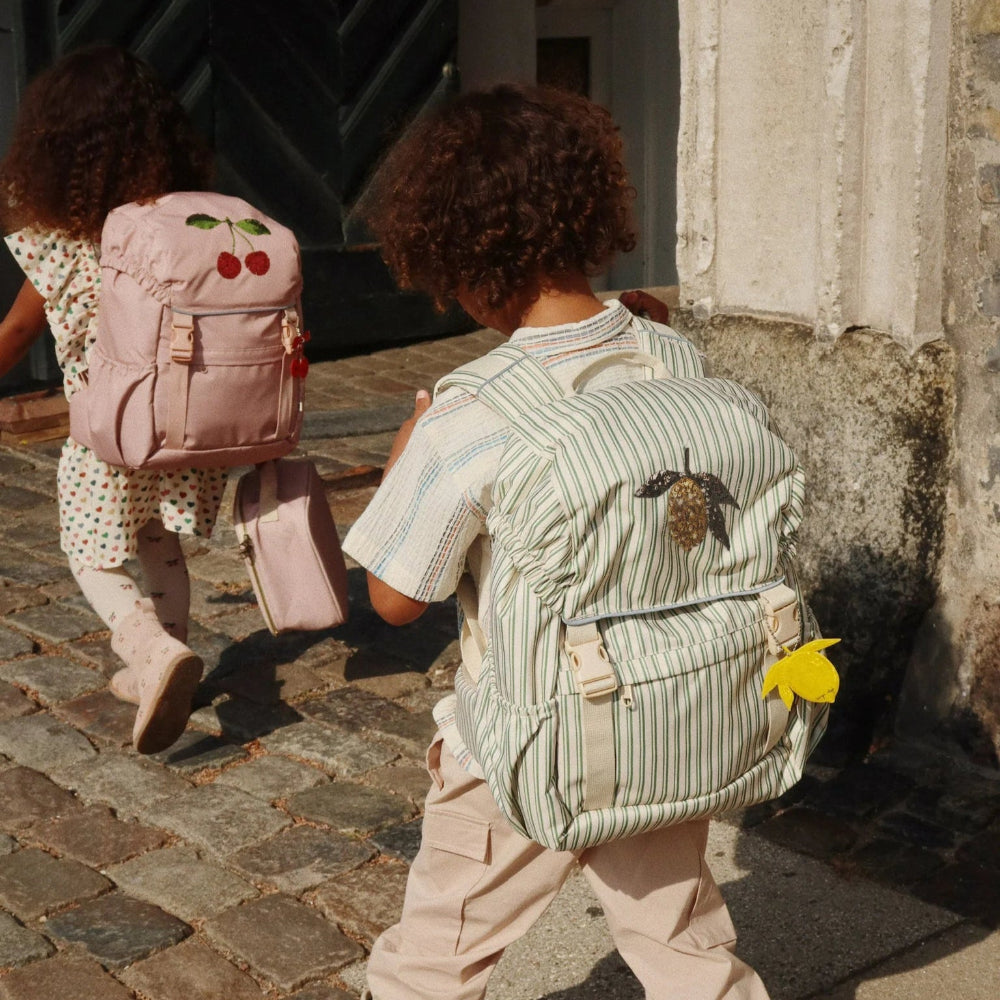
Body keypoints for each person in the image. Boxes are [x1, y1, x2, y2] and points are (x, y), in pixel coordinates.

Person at [343, 84, 770, 1000]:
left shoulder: (472, 409)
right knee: (683, 945)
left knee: (434, 957)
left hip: (518, 747)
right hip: (668, 724)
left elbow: (392, 599)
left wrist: (408, 445)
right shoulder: (672, 355)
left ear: (458, 254)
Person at [0, 44, 226, 754]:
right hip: (186, 423)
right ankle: (172, 656)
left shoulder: (60, 240)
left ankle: (152, 653)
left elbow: (14, 332)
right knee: (158, 538)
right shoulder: (186, 228)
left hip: (107, 433)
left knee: (90, 552)